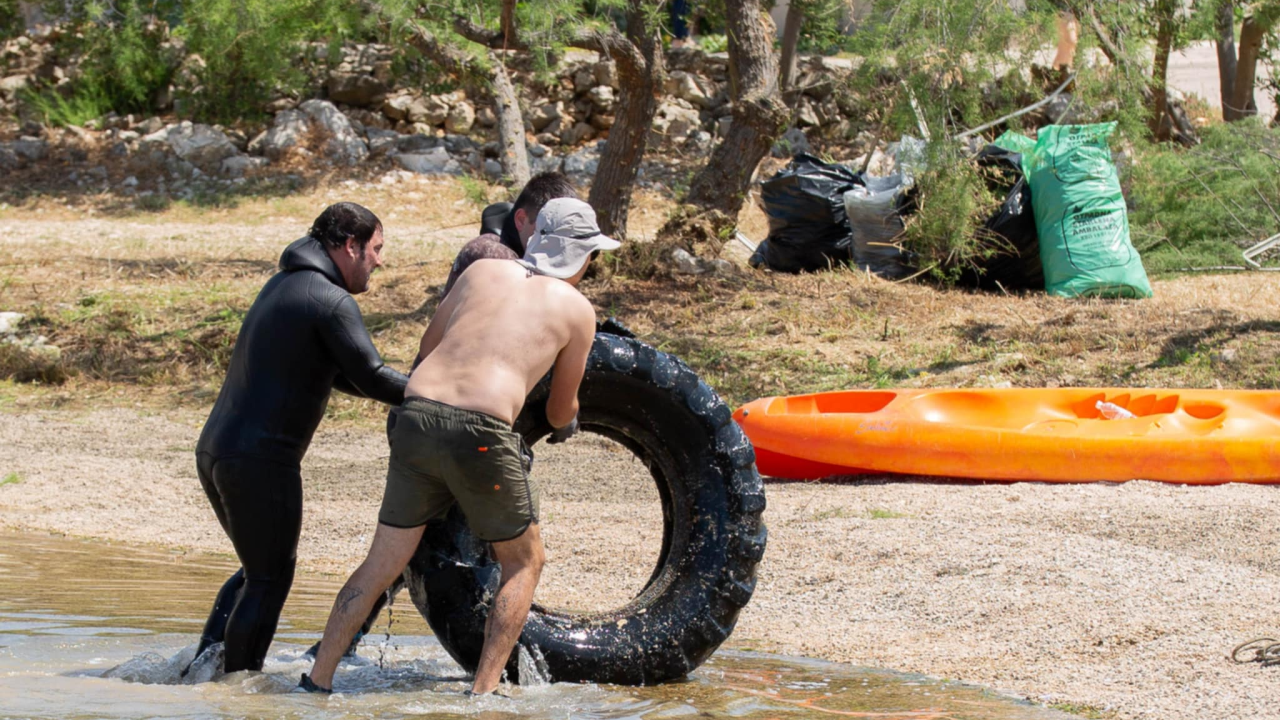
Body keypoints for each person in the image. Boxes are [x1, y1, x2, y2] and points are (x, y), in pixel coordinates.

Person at [301, 198, 618, 695]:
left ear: (536, 240)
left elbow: (428, 347)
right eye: (592, 258)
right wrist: (565, 418)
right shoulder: (578, 310)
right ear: (581, 257)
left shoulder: (484, 271)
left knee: (382, 562)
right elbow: (559, 412)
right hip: (481, 432)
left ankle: (316, 681)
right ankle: (483, 696)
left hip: (415, 415)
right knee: (524, 561)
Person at [191, 202, 409, 674]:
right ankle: (238, 689)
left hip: (218, 451)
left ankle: (202, 672)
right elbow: (371, 374)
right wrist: (442, 395)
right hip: (259, 461)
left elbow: (345, 374)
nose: (379, 260)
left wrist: (408, 394)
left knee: (257, 572)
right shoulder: (328, 299)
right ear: (349, 246)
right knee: (268, 578)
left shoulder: (286, 286)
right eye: (375, 249)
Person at [441, 171, 578, 297]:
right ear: (521, 220)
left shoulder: (523, 251)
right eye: (547, 230)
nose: (555, 241)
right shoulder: (493, 255)